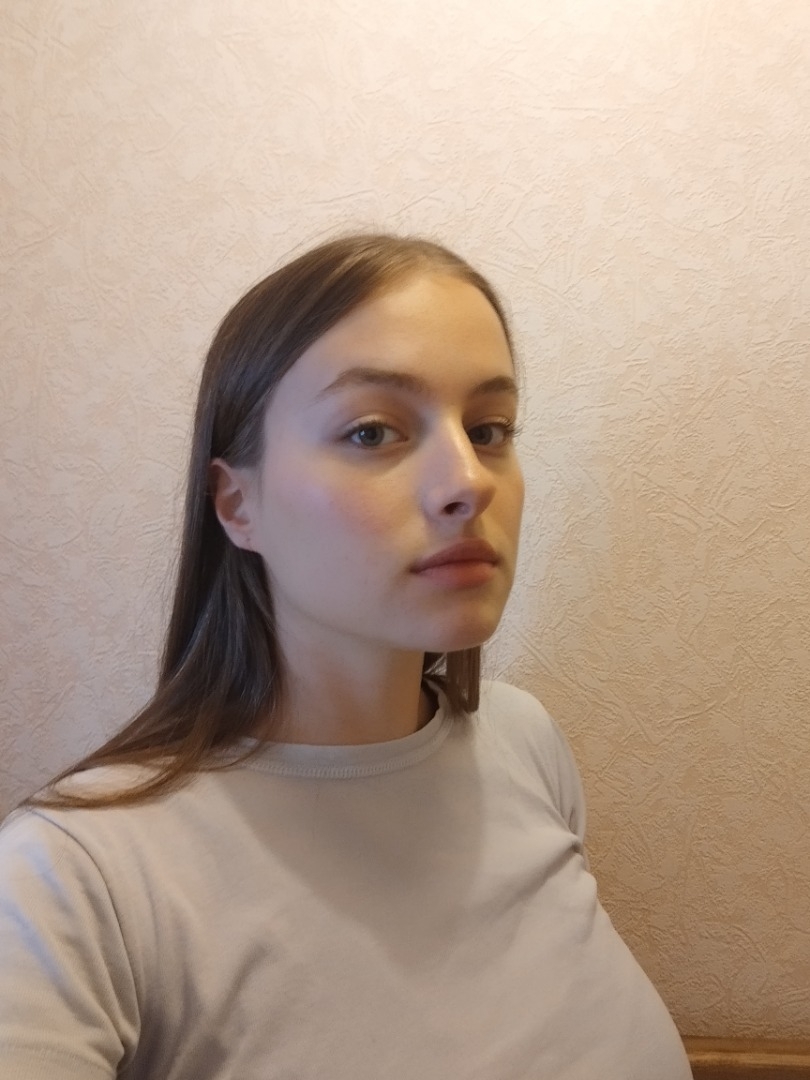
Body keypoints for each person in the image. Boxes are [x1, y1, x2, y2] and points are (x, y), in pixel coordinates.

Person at [0, 234, 692, 1079]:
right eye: (372, 432)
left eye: (489, 429)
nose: (469, 480)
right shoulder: (72, 878)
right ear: (237, 502)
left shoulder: (524, 745)